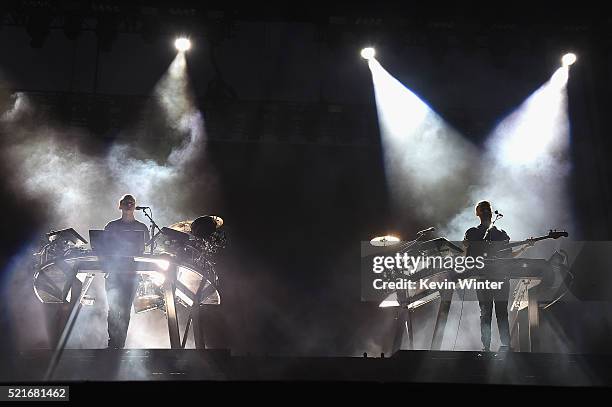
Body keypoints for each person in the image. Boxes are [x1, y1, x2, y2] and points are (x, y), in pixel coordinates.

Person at [463, 200, 532, 352]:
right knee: (487, 312)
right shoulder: (472, 232)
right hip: (484, 278)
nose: (486, 212)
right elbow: (469, 258)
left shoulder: (500, 233)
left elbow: (509, 255)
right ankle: (486, 347)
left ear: (491, 212)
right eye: (483, 210)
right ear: (478, 213)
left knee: (500, 312)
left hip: (499, 278)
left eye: (487, 209)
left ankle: (505, 346)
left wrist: (525, 246)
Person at [103, 194, 150, 349]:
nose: (129, 205)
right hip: (114, 273)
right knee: (113, 308)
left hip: (132, 274)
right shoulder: (111, 226)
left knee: (125, 309)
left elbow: (146, 251)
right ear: (120, 205)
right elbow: (103, 247)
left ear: (135, 206)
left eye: (132, 203)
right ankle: (112, 342)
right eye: (126, 202)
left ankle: (120, 344)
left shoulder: (142, 228)